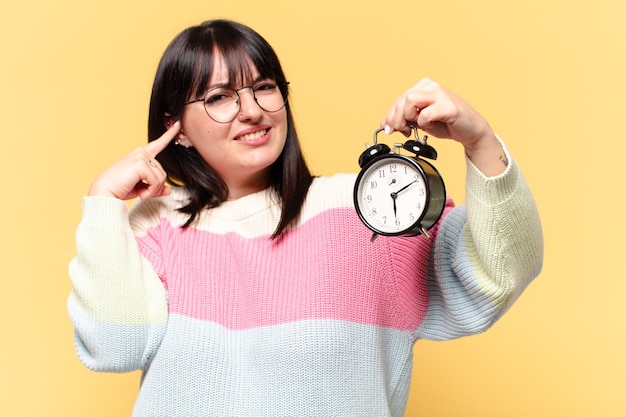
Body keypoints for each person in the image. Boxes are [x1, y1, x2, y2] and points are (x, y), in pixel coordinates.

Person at [67, 19, 543, 417]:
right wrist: (103, 202)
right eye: (219, 97)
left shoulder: (361, 208)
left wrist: (479, 140)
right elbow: (114, 348)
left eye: (264, 88)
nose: (251, 111)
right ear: (177, 128)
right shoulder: (154, 226)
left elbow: (495, 276)